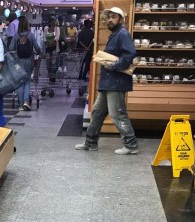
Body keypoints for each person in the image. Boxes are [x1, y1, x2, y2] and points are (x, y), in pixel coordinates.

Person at [75, 7, 138, 155]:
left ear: (121, 19)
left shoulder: (123, 34)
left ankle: (131, 145)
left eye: (114, 17)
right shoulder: (115, 35)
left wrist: (114, 66)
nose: (110, 19)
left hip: (116, 82)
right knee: (97, 112)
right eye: (109, 17)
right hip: (109, 82)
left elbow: (130, 54)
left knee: (118, 114)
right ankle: (90, 142)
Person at [8, 16, 42, 111]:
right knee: (27, 81)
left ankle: (20, 104)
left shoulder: (16, 36)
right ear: (27, 24)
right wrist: (39, 52)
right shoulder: (30, 35)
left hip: (19, 61)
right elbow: (36, 47)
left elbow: (11, 49)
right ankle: (26, 102)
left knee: (20, 83)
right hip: (29, 60)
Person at [44, 18, 60, 83]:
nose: (53, 23)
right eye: (52, 21)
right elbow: (44, 38)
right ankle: (50, 76)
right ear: (50, 22)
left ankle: (53, 77)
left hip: (55, 48)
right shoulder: (46, 28)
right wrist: (48, 43)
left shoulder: (57, 28)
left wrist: (52, 41)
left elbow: (57, 37)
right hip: (48, 49)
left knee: (54, 64)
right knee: (48, 64)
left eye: (54, 22)